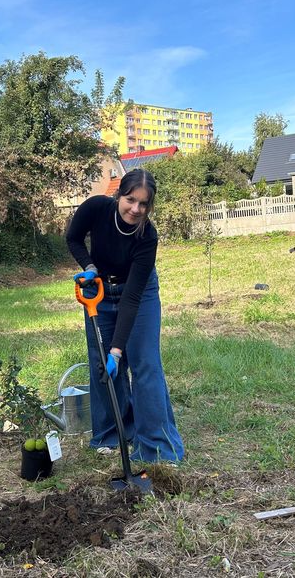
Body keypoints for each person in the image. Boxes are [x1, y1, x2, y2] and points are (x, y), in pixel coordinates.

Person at [66, 169, 184, 463]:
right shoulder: (96, 208)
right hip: (100, 290)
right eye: (131, 200)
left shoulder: (148, 236)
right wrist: (89, 266)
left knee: (144, 364)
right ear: (119, 194)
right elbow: (73, 238)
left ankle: (157, 446)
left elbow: (132, 298)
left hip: (138, 293)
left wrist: (118, 350)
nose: (136, 209)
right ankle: (112, 433)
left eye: (144, 204)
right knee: (101, 366)